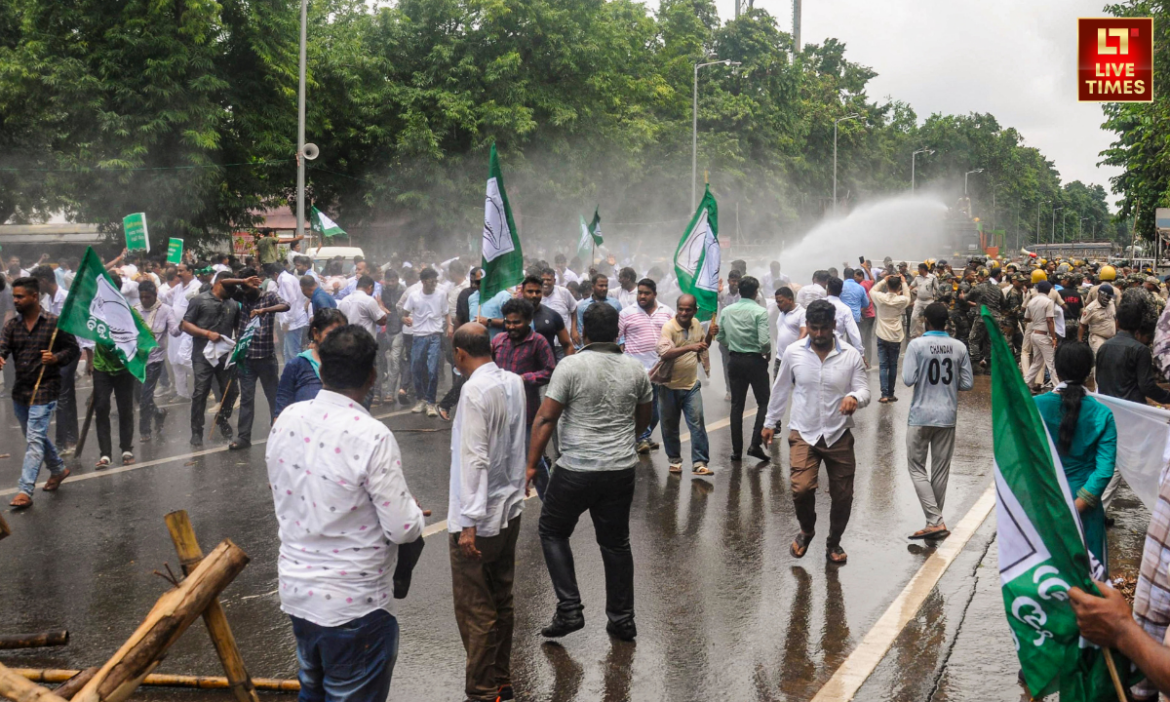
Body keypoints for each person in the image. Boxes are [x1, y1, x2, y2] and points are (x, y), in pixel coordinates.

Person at [266, 324, 425, 702]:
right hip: (354, 606)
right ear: (373, 375)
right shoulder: (372, 435)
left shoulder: (287, 419)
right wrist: (415, 512)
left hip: (298, 592)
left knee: (313, 689)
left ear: (321, 370)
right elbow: (403, 528)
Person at [526, 303, 652, 641]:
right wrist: (623, 438)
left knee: (552, 531)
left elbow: (546, 417)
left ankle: (569, 610)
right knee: (615, 543)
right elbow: (643, 419)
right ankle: (622, 620)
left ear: (583, 330)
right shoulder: (635, 369)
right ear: (617, 332)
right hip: (619, 469)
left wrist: (530, 464)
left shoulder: (570, 366)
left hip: (576, 469)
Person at [447, 323, 527, 702]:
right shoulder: (512, 381)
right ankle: (501, 679)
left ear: (461, 353)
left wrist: (469, 524)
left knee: (476, 608)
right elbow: (513, 444)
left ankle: (482, 691)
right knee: (501, 598)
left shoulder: (474, 389)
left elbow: (476, 458)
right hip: (508, 510)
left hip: (479, 518)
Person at [762, 299, 869, 565]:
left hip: (838, 433)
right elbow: (781, 388)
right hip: (803, 431)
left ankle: (834, 543)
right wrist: (769, 422)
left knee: (843, 495)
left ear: (834, 325)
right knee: (801, 489)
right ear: (807, 325)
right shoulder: (794, 352)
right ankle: (807, 530)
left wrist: (855, 397)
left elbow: (865, 390)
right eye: (814, 328)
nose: (819, 334)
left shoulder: (851, 355)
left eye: (824, 328)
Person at [1034, 342, 1116, 568]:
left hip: (1046, 503)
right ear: (1090, 371)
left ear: (1057, 370)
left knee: (1047, 579)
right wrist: (1078, 505)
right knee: (1089, 581)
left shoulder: (1034, 406)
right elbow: (1104, 470)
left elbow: (1023, 457)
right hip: (1086, 508)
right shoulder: (1103, 413)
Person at [2, 277, 80, 509]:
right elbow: (3, 347)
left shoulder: (55, 323)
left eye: (19, 296)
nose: (15, 300)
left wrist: (55, 358)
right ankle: (57, 469)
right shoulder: (12, 326)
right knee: (33, 436)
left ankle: (25, 489)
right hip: (21, 391)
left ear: (34, 296)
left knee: (34, 438)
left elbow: (72, 349)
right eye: (14, 296)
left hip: (45, 389)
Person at [901, 302, 974, 539]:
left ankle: (935, 521)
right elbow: (967, 383)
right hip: (947, 415)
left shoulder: (917, 345)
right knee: (940, 471)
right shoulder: (959, 347)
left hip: (921, 414)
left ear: (926, 321)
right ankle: (935, 521)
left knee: (916, 468)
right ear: (946, 323)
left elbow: (908, 379)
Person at [229, 270, 289, 450]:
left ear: (257, 284)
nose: (246, 293)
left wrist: (264, 310)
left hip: (266, 357)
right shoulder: (242, 296)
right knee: (246, 398)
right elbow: (225, 283)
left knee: (273, 397)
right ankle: (243, 437)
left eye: (249, 288)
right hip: (246, 358)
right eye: (243, 289)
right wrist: (242, 280)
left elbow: (286, 305)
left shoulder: (269, 296)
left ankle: (279, 433)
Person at [181, 274, 241, 446]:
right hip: (202, 355)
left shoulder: (233, 304)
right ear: (218, 283)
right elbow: (185, 324)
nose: (231, 292)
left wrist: (238, 340)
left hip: (224, 355)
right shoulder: (199, 300)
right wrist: (206, 333)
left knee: (231, 391)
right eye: (229, 288)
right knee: (201, 391)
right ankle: (196, 430)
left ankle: (222, 418)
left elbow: (237, 326)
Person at [716, 275, 771, 462]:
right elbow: (764, 342)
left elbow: (721, 337)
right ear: (756, 293)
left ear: (739, 291)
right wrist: (767, 352)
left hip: (735, 360)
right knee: (763, 402)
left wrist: (733, 344)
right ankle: (755, 444)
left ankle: (736, 451)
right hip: (755, 361)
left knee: (736, 405)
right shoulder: (760, 312)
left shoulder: (727, 311)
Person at [656, 294, 711, 475]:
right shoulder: (669, 327)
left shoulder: (696, 325)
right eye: (681, 308)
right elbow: (664, 353)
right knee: (670, 425)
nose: (684, 313)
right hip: (668, 385)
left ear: (695, 310)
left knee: (697, 423)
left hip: (690, 385)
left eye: (688, 309)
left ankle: (699, 462)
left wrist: (710, 335)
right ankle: (674, 460)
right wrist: (689, 347)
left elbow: (703, 346)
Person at [618, 278, 673, 453]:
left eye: (646, 293)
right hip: (635, 368)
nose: (642, 296)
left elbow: (676, 335)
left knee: (655, 410)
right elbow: (617, 337)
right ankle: (641, 438)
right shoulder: (626, 313)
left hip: (659, 368)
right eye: (640, 293)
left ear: (654, 294)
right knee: (639, 405)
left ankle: (643, 434)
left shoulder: (667, 312)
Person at [31, 266, 79, 453]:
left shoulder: (66, 298)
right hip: (56, 353)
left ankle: (64, 442)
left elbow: (78, 326)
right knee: (66, 396)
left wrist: (88, 355)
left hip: (70, 350)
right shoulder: (49, 301)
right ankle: (70, 438)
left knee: (62, 395)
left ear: (43, 280)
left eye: (36, 284)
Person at [492, 298, 556, 426]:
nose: (511, 327)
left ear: (529, 320)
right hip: (500, 410)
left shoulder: (538, 341)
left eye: (516, 322)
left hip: (526, 410)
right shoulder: (498, 340)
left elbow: (550, 371)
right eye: (507, 322)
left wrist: (523, 379)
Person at [275, 308, 348, 417]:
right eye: (331, 334)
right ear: (315, 333)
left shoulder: (350, 365)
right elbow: (280, 414)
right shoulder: (297, 366)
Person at [133, 280, 180, 443]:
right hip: (137, 361)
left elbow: (174, 331)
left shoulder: (166, 311)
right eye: (142, 297)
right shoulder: (135, 311)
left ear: (154, 296)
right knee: (139, 396)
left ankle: (144, 431)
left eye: (148, 297)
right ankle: (159, 413)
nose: (145, 300)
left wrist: (185, 324)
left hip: (155, 360)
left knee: (146, 395)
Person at [402, 267, 450, 416]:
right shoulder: (414, 296)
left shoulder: (441, 294)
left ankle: (431, 402)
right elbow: (404, 314)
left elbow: (446, 313)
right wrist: (406, 319)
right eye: (431, 281)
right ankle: (421, 399)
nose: (434, 283)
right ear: (423, 282)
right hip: (418, 336)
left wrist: (450, 326)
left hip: (435, 336)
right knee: (416, 368)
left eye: (436, 280)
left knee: (432, 369)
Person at [870, 272, 911, 402]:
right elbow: (908, 297)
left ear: (887, 285)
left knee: (883, 365)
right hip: (895, 336)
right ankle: (891, 393)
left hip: (882, 334)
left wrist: (883, 280)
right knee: (893, 365)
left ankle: (884, 394)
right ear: (898, 287)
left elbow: (872, 290)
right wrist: (904, 282)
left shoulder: (880, 298)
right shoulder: (901, 300)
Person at [1023, 280, 1059, 393]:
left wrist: (1037, 318)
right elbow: (1050, 320)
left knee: (1037, 362)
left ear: (1038, 289)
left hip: (1034, 334)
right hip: (1043, 335)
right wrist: (1054, 337)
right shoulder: (1048, 302)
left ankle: (1026, 382)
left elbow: (1027, 318)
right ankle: (1058, 387)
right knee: (1051, 362)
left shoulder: (1032, 301)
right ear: (1049, 291)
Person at [275, 262, 310, 363]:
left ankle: (297, 376)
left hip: (293, 322)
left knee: (293, 352)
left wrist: (287, 321)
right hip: (293, 320)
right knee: (287, 352)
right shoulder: (287, 278)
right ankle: (289, 376)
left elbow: (291, 300)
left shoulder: (285, 280)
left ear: (275, 274)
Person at [573, 272, 621, 345]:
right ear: (593, 286)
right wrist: (581, 348)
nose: (604, 288)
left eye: (606, 286)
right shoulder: (583, 306)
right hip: (590, 347)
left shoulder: (615, 304)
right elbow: (581, 328)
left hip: (611, 347)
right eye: (601, 286)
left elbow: (621, 326)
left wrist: (621, 343)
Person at [822, 276, 865, 357]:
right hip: (836, 349)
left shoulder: (819, 304)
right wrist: (861, 353)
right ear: (841, 291)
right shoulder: (845, 309)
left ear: (828, 290)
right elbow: (854, 333)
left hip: (818, 347)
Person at [771, 287, 805, 376]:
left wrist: (794, 350)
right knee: (778, 389)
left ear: (790, 299)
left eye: (780, 301)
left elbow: (804, 332)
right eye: (777, 302)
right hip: (780, 359)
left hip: (795, 359)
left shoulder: (802, 313)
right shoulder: (781, 314)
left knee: (797, 388)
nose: (778, 304)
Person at [909, 263, 939, 339]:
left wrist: (937, 299)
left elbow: (937, 288)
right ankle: (912, 334)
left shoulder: (932, 278)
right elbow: (911, 286)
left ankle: (928, 334)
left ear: (923, 269)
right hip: (919, 300)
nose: (918, 270)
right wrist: (904, 291)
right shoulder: (917, 278)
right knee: (914, 317)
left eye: (919, 269)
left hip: (929, 301)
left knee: (928, 318)